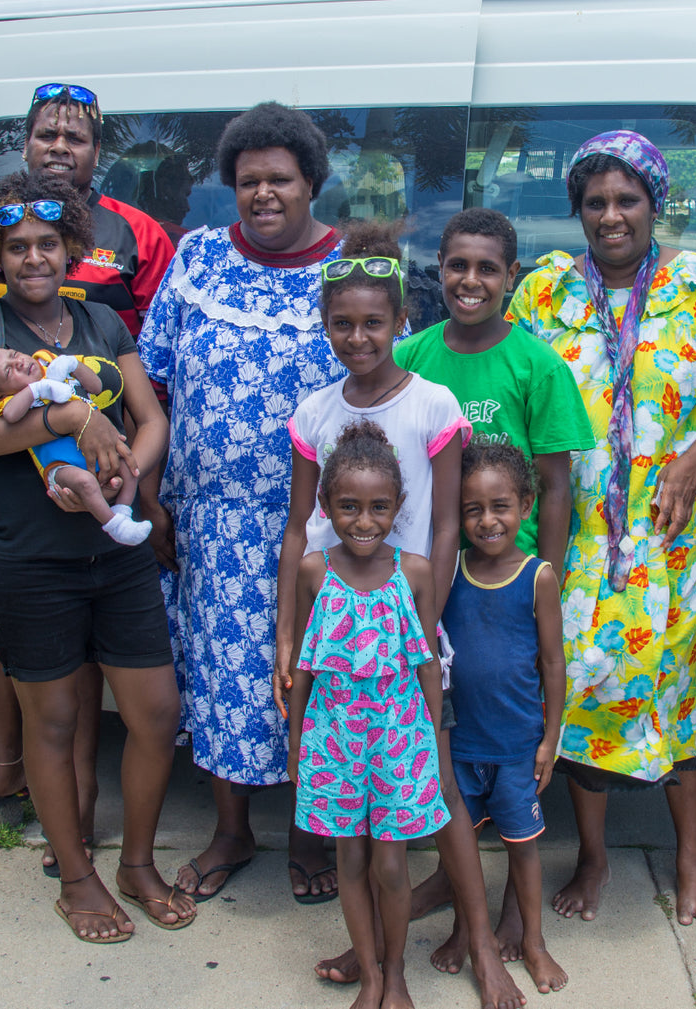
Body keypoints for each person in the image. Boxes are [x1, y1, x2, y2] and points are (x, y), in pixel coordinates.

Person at [507, 129, 696, 926]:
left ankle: (690, 861)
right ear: (578, 211)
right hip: (576, 537)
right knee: (578, 684)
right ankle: (593, 856)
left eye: (627, 200)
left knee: (675, 691)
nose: (611, 216)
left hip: (672, 539)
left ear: (656, 204)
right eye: (595, 202)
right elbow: (516, 391)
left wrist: (690, 464)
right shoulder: (545, 292)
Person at [0, 84, 174, 879]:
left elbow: (150, 413)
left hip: (115, 545)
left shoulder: (103, 318)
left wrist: (135, 472)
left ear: (73, 250)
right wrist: (68, 421)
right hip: (26, 546)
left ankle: (135, 862)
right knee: (54, 718)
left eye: (49, 245)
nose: (35, 256)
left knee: (155, 714)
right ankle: (77, 875)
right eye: (18, 246)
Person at [274, 226, 525, 1009]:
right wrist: (286, 633)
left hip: (412, 620)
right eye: (342, 324)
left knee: (439, 786)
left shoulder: (433, 403)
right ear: (326, 326)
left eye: (373, 323)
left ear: (399, 321)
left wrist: (428, 620)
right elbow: (296, 530)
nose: (358, 337)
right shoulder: (314, 411)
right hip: (334, 623)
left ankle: (483, 945)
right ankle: (377, 952)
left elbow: (445, 522)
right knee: (356, 810)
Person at [137, 101, 341, 908]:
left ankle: (310, 836)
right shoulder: (196, 260)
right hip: (211, 523)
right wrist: (152, 494)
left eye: (280, 179)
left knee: (315, 675)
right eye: (248, 180)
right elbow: (146, 377)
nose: (263, 193)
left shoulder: (348, 265)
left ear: (310, 182)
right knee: (222, 675)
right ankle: (231, 828)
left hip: (324, 525)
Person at [393, 206, 593, 963]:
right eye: (456, 265)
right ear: (438, 269)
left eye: (487, 268)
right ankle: (453, 892)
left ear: (513, 278)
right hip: (432, 584)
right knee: (451, 744)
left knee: (509, 741)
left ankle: (514, 917)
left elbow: (556, 483)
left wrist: (544, 574)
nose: (470, 280)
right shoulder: (411, 353)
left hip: (506, 584)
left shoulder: (537, 364)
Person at [288, 421, 449, 1009]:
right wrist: (294, 742)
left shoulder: (415, 572)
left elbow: (428, 664)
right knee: (349, 858)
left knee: (390, 862)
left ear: (399, 506)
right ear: (325, 505)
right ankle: (373, 978)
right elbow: (305, 665)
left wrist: (428, 739)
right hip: (332, 744)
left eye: (379, 507)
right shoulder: (314, 572)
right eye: (348, 506)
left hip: (400, 742)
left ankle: (396, 972)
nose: (363, 520)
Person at [443, 439, 567, 993]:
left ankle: (534, 942)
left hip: (517, 745)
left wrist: (550, 739)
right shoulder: (449, 573)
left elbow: (553, 662)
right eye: (473, 510)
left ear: (526, 504)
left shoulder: (538, 577)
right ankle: (464, 932)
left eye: (501, 507)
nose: (488, 521)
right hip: (460, 746)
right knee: (458, 849)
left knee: (523, 847)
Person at [0, 347, 152, 545]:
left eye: (14, 355)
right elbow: (11, 415)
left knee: (130, 469)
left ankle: (122, 511)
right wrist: (36, 390)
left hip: (100, 451)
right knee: (86, 483)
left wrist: (73, 364)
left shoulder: (50, 364)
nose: (18, 363)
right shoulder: (11, 400)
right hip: (61, 463)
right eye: (9, 372)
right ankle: (115, 526)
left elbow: (96, 386)